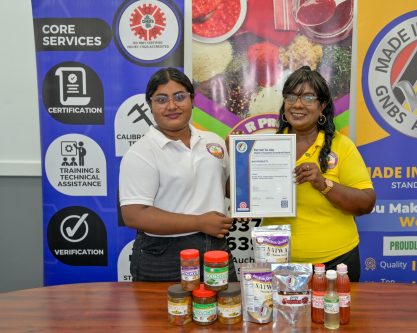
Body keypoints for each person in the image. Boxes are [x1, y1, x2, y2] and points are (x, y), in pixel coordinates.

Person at [119, 67, 236, 282]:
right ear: (151, 106)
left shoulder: (214, 141)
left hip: (215, 248)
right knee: (167, 316)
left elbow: (229, 189)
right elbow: (134, 215)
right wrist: (200, 222)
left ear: (192, 100)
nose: (172, 106)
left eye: (180, 97)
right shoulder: (142, 152)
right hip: (163, 256)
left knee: (225, 312)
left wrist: (244, 159)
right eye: (161, 99)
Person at [261, 66, 376, 281]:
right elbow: (237, 193)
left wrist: (323, 184)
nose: (297, 104)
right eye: (291, 96)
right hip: (276, 261)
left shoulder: (342, 146)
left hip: (335, 262)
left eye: (308, 97)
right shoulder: (267, 144)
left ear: (322, 106)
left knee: (335, 315)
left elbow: (366, 203)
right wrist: (240, 162)